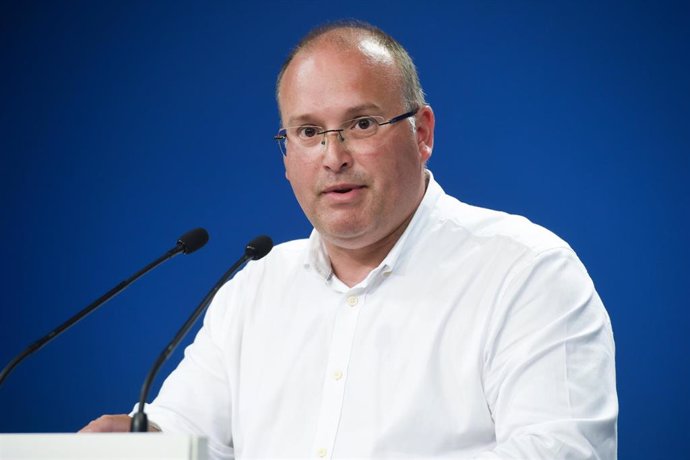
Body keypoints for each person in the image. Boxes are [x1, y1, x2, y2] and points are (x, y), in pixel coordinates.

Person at [81, 20, 618, 459]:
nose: (333, 156)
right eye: (309, 132)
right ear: (286, 153)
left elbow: (561, 451)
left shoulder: (525, 271)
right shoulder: (255, 289)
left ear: (422, 133)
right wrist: (138, 447)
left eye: (361, 124)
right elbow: (191, 435)